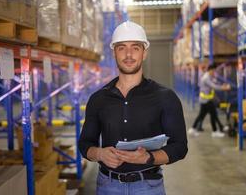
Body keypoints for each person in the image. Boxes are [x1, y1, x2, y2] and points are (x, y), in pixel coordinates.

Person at [78, 21, 188, 195]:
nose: (128, 54)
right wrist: (99, 154)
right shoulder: (98, 99)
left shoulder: (165, 97)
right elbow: (85, 144)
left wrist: (148, 157)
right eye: (121, 48)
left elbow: (180, 147)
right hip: (108, 186)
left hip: (148, 187)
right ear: (114, 52)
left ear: (144, 53)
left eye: (135, 47)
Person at [188, 63, 231, 137]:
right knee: (213, 114)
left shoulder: (209, 76)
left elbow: (214, 82)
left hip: (206, 100)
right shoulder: (206, 77)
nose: (214, 72)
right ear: (211, 70)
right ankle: (215, 131)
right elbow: (213, 86)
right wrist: (224, 88)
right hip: (206, 100)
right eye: (214, 70)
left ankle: (192, 129)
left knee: (202, 115)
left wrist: (222, 85)